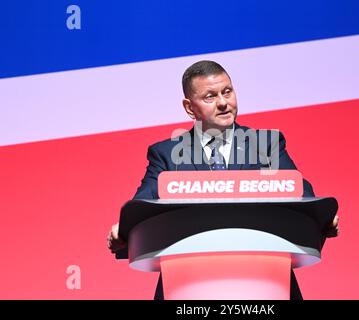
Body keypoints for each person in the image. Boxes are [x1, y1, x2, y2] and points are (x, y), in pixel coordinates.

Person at [107, 60, 339, 299]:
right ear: (189, 107)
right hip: (189, 286)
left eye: (227, 92)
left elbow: (302, 193)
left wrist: (322, 217)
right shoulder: (166, 154)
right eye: (210, 96)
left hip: (264, 283)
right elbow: (142, 204)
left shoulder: (266, 145)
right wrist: (124, 229)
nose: (223, 103)